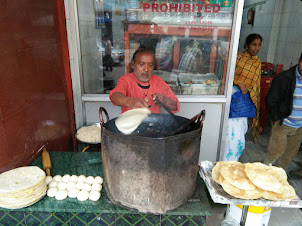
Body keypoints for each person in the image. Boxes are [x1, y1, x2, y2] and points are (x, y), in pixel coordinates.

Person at [223, 33, 262, 161]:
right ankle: (225, 158)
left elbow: (256, 84)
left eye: (259, 45)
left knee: (240, 132)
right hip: (233, 99)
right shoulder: (237, 58)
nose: (256, 48)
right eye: (253, 45)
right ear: (246, 45)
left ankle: (234, 158)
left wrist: (251, 92)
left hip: (245, 102)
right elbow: (227, 73)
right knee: (230, 131)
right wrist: (238, 83)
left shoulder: (257, 63)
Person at [109, 45, 180, 114]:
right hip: (131, 125)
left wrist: (164, 100)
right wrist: (130, 101)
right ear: (133, 64)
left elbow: (175, 106)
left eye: (150, 65)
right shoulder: (126, 80)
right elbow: (114, 97)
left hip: (153, 124)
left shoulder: (158, 81)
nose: (146, 69)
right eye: (141, 64)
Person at [264, 52, 302, 171]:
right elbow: (271, 99)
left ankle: (277, 181)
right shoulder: (284, 77)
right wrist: (276, 119)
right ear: (299, 61)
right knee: (273, 155)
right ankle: (262, 178)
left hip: (299, 128)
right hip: (283, 124)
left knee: (287, 157)